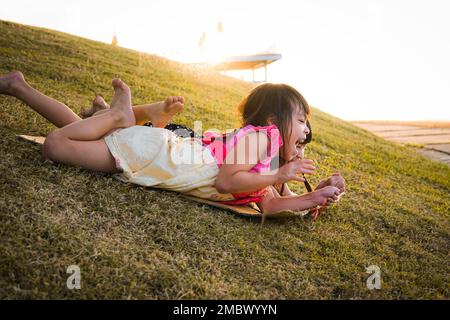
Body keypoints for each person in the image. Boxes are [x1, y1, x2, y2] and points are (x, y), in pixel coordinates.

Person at [0, 71, 345, 217]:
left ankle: (19, 86)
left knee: (79, 129)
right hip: (156, 155)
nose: (306, 130)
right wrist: (278, 176)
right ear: (273, 121)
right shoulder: (259, 138)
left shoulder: (264, 164)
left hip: (157, 154)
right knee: (56, 146)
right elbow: (226, 182)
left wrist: (317, 196)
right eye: (301, 119)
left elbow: (272, 206)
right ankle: (120, 116)